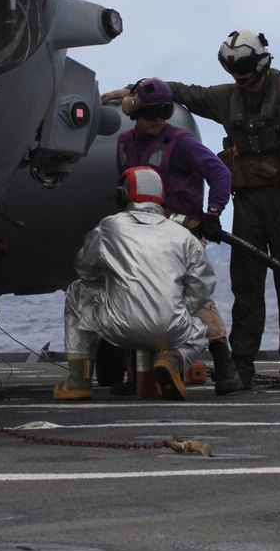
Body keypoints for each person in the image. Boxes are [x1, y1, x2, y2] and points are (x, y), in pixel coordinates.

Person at [165, 30, 280, 391]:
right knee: (247, 285)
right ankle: (242, 365)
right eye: (234, 72)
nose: (240, 79)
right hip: (248, 204)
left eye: (244, 71)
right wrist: (141, 87)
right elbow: (188, 93)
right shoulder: (228, 98)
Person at [101, 76, 241, 395]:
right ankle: (137, 375)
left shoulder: (181, 142)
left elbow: (220, 173)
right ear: (135, 111)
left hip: (180, 234)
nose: (159, 120)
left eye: (164, 112)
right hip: (141, 237)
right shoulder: (123, 144)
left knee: (193, 298)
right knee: (135, 298)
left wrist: (213, 214)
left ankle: (224, 365)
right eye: (152, 113)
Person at [54, 166, 215, 402]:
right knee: (198, 329)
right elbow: (202, 285)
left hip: (118, 330)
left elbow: (84, 269)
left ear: (123, 195)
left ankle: (79, 381)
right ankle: (171, 360)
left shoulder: (110, 227)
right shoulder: (183, 236)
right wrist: (178, 310)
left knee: (77, 290)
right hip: (170, 330)